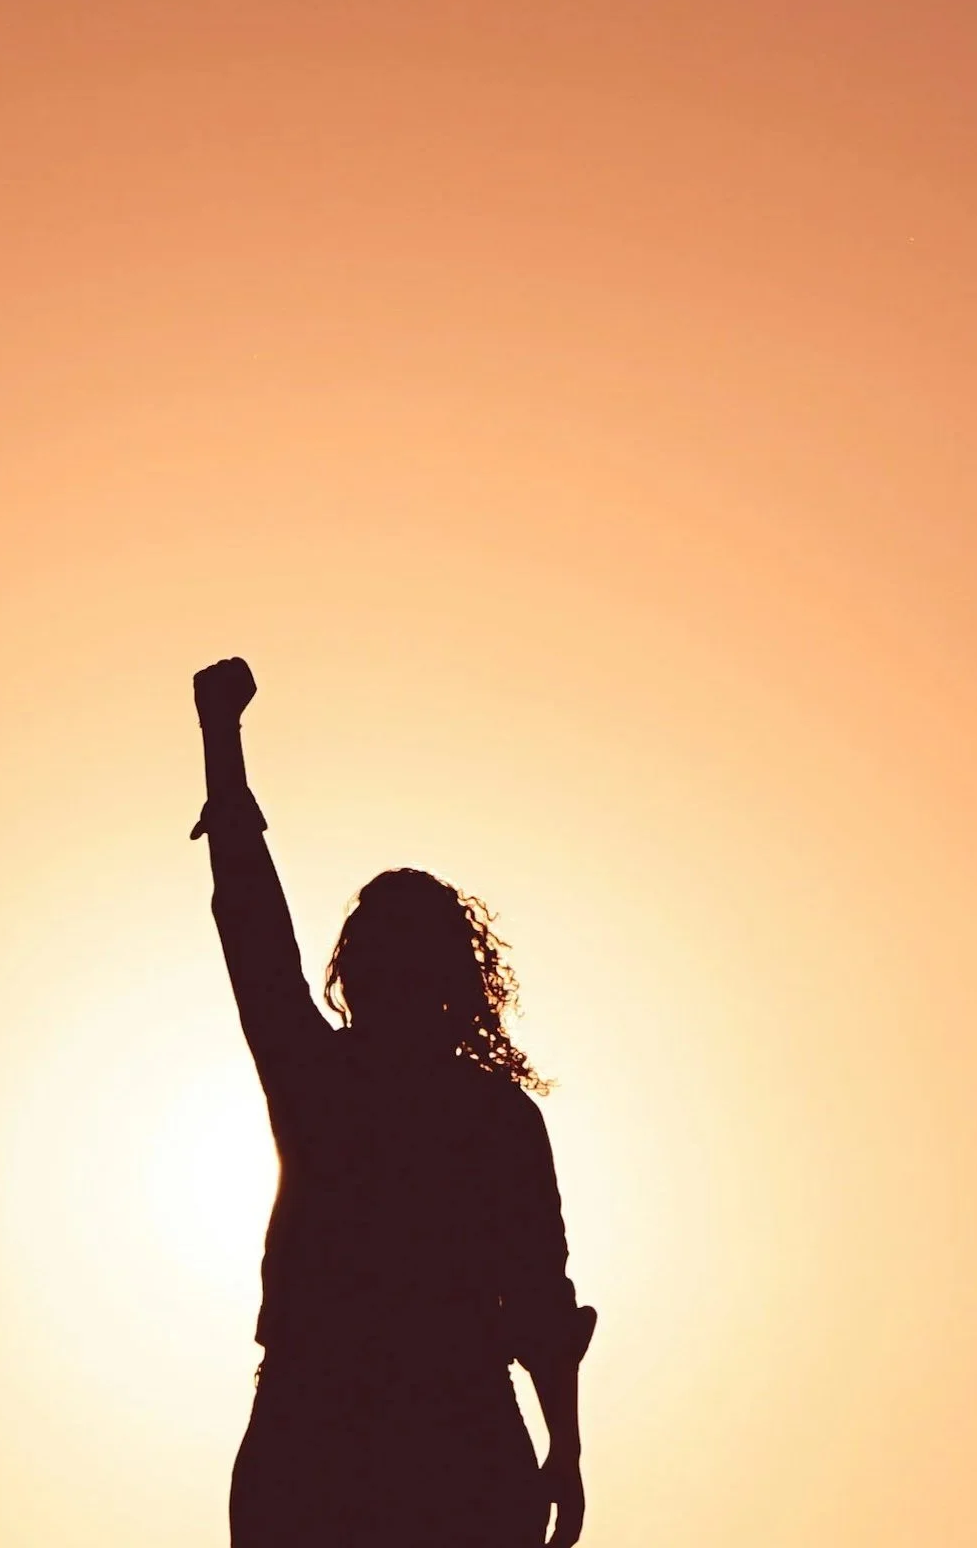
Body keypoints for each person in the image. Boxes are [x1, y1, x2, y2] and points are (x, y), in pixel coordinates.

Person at [190, 656, 596, 1548]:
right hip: (385, 1432)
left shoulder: (338, 1084)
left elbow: (538, 1298)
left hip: (375, 1435)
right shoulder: (471, 1112)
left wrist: (222, 741)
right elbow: (249, 921)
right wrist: (563, 1448)